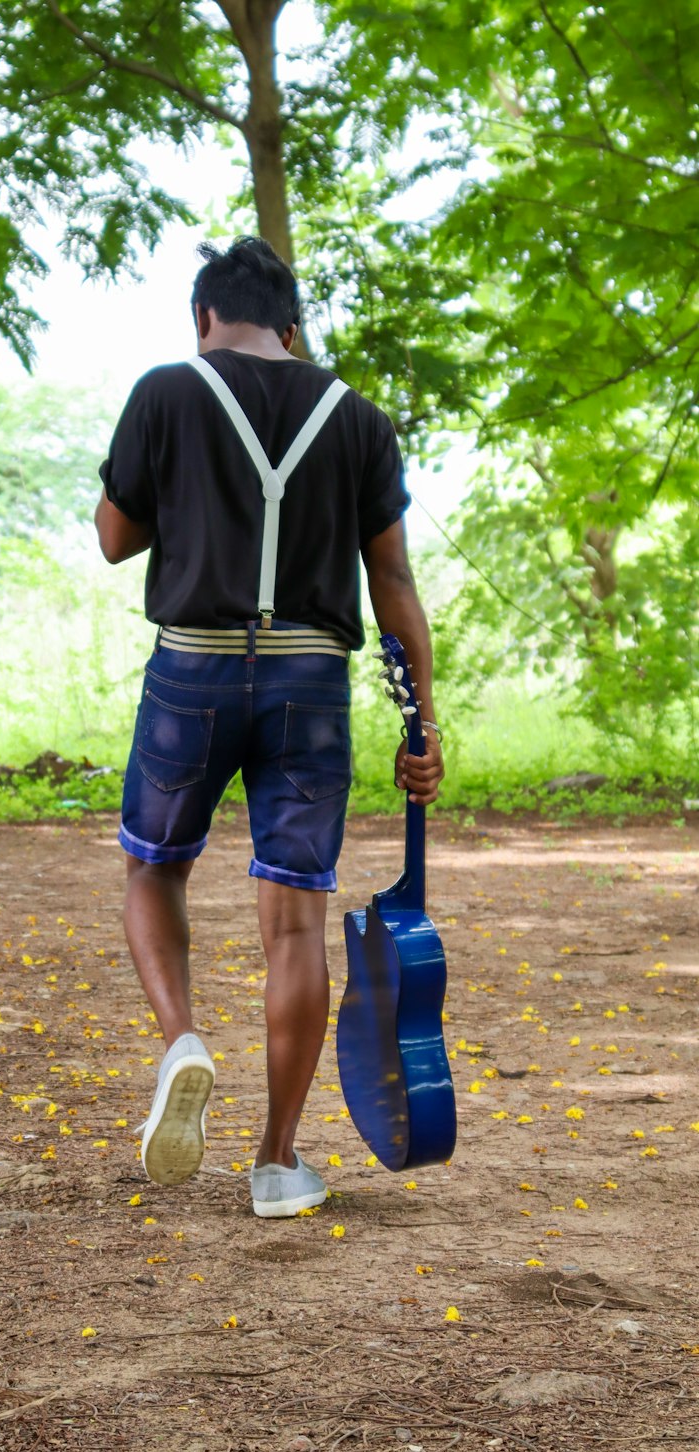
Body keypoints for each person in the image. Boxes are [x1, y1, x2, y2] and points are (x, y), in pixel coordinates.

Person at [95, 236, 444, 1218]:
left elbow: (116, 540)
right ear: (292, 327)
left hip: (193, 670)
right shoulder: (359, 421)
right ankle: (278, 1164)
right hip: (309, 681)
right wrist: (423, 726)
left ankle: (182, 1043)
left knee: (153, 870)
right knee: (294, 919)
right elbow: (394, 584)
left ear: (204, 319)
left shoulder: (167, 391)